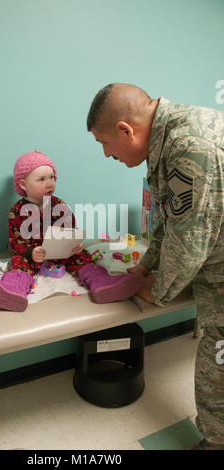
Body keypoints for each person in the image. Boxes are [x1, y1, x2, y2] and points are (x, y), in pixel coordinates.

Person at [87, 83, 224, 450]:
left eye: (104, 143)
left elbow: (191, 241)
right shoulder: (168, 140)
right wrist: (146, 265)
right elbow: (171, 221)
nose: (105, 154)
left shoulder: (188, 146)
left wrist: (157, 291)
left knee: (218, 367)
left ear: (125, 130)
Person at [0, 150, 140, 312]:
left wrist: (76, 244)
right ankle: (12, 290)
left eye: (52, 177)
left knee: (82, 256)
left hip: (62, 253)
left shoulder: (58, 205)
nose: (50, 183)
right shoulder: (17, 210)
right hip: (34, 255)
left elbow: (71, 230)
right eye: (41, 179)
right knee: (18, 261)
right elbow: (16, 242)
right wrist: (31, 252)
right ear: (24, 185)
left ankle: (101, 283)